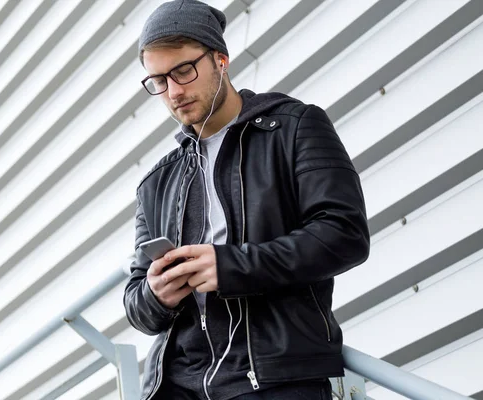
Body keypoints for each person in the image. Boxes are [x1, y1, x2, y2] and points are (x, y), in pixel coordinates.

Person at [123, 1, 370, 399]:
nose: (174, 92)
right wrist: (156, 294)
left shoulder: (294, 128)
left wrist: (231, 266)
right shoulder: (156, 184)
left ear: (221, 59)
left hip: (274, 378)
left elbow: (344, 234)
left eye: (183, 71)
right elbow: (136, 303)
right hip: (178, 386)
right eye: (158, 81)